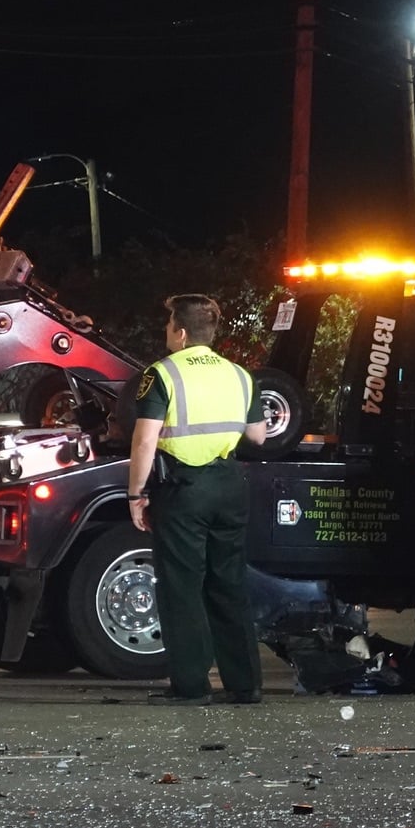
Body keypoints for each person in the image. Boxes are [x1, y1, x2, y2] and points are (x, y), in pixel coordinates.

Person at [127, 293, 267, 706]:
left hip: (184, 489)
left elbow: (145, 437)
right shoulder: (239, 374)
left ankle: (191, 686)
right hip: (229, 484)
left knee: (182, 586)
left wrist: (136, 494)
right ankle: (246, 685)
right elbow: (258, 435)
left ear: (181, 332)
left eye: (168, 326)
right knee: (229, 584)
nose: (166, 333)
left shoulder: (162, 374)